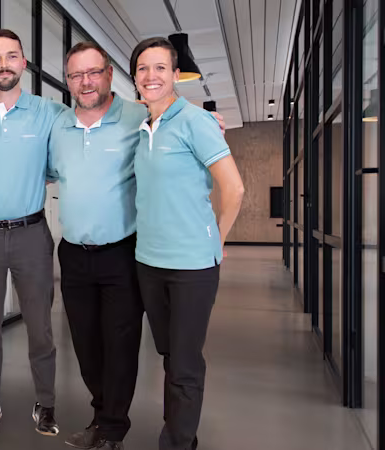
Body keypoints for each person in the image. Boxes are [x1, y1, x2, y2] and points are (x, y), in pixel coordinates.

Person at [131, 37, 245, 450]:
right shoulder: (142, 125)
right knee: (169, 354)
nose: (151, 76)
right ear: (135, 78)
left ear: (176, 75)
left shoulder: (196, 121)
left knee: (184, 361)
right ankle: (178, 430)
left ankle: (178, 442)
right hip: (148, 262)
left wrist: (218, 240)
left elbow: (234, 189)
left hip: (192, 266)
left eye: (160, 67)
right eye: (143, 68)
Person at [0, 29, 67, 437]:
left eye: (11, 56)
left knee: (40, 327)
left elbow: (97, 112)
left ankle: (47, 403)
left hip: (31, 234)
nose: (3, 64)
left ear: (23, 63)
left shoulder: (49, 112)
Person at [46, 42, 147, 450]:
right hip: (73, 254)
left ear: (108, 74)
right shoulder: (59, 126)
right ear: (68, 81)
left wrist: (207, 120)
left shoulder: (138, 116)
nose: (85, 82)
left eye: (92, 72)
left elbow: (177, 121)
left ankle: (112, 430)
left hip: (121, 252)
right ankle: (101, 417)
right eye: (76, 75)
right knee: (86, 346)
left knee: (120, 346)